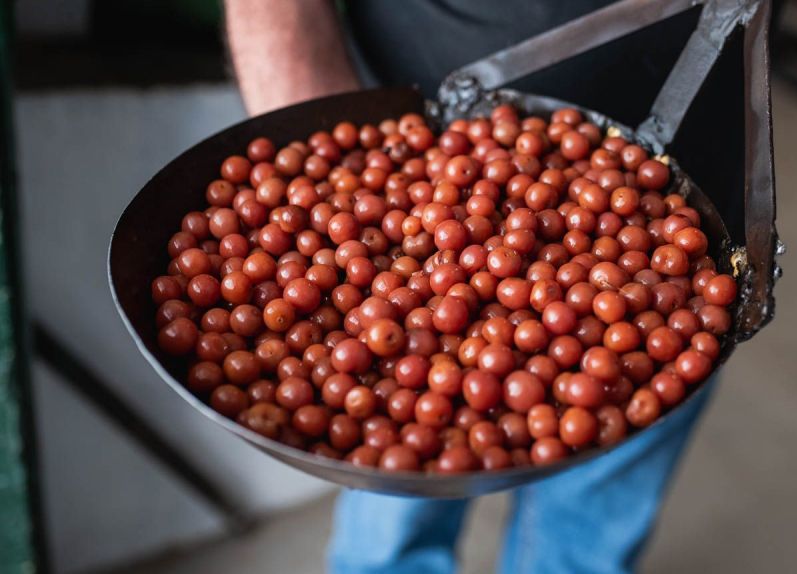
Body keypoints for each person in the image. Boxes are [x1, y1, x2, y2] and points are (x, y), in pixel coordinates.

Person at [224, 2, 720, 572]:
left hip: (689, 143)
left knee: (593, 518)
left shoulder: (639, 264)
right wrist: (307, 137)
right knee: (395, 504)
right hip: (419, 105)